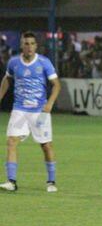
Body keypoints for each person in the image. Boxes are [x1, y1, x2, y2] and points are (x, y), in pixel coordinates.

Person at [0, 31, 61, 192]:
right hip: (19, 109)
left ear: (36, 46)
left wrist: (50, 104)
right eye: (26, 43)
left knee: (46, 145)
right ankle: (11, 181)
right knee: (11, 141)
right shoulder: (13, 62)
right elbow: (7, 79)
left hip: (39, 111)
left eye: (32, 43)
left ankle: (51, 181)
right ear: (21, 45)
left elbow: (56, 84)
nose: (29, 47)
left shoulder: (44, 62)